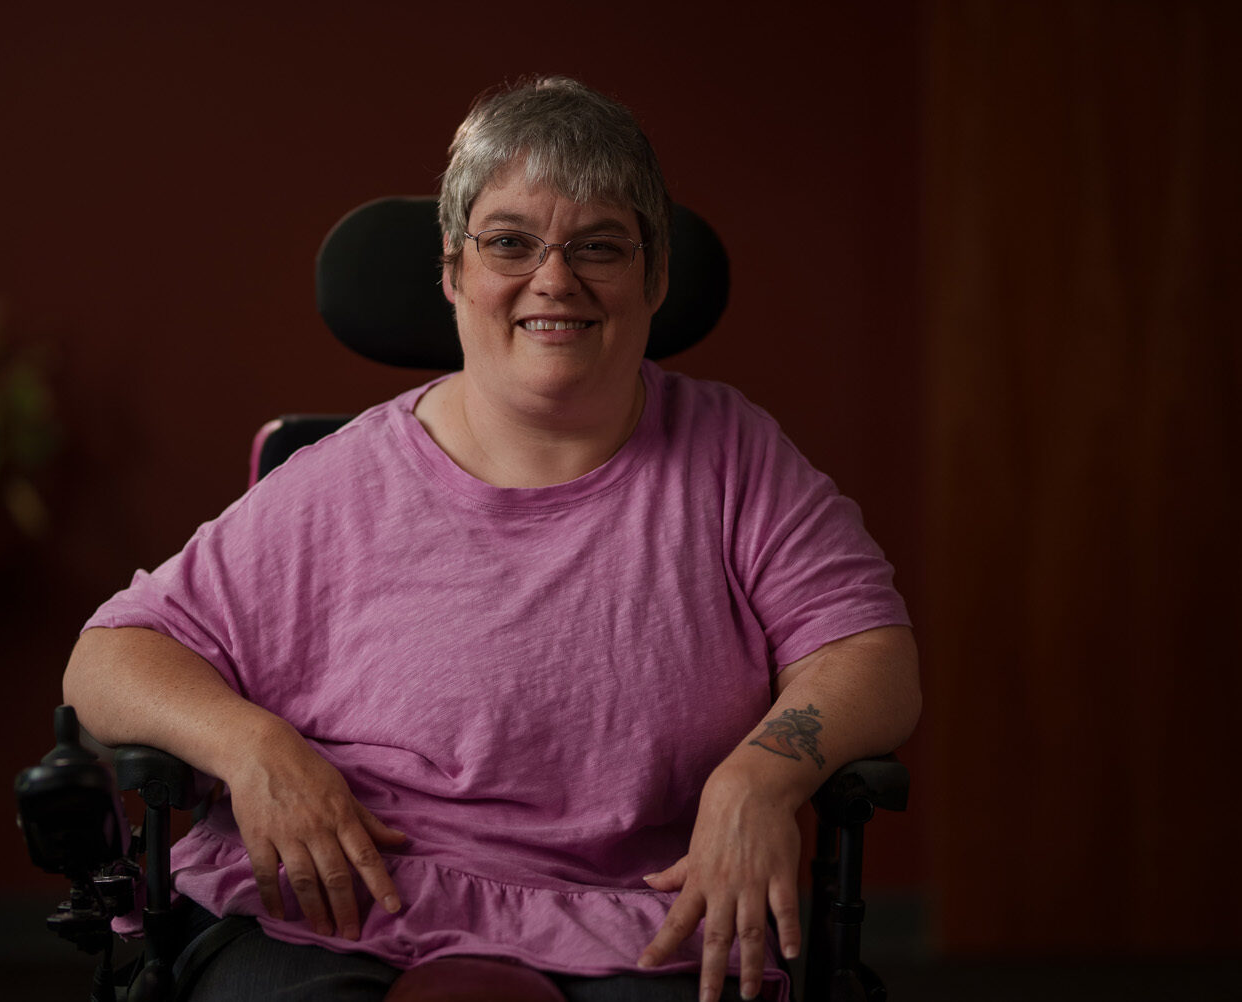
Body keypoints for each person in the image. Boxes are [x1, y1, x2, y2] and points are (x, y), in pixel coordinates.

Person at [64, 76, 920, 1002]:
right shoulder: (338, 481)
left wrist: (761, 777)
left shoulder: (735, 457)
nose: (555, 280)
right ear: (452, 270)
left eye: (599, 246)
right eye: (510, 242)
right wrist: (251, 747)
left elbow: (867, 654)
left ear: (656, 277)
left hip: (634, 912)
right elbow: (108, 660)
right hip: (334, 899)